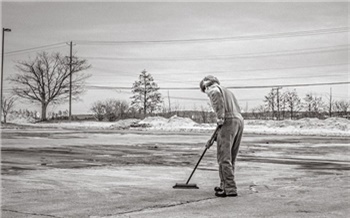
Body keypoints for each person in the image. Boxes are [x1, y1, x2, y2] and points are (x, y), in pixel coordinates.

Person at [200, 75, 244, 197]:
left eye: (205, 90)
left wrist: (220, 117)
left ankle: (229, 189)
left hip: (229, 121)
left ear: (206, 85)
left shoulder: (213, 89)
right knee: (230, 156)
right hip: (238, 120)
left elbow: (221, 111)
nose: (206, 92)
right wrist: (213, 138)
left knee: (223, 157)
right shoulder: (227, 91)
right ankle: (224, 185)